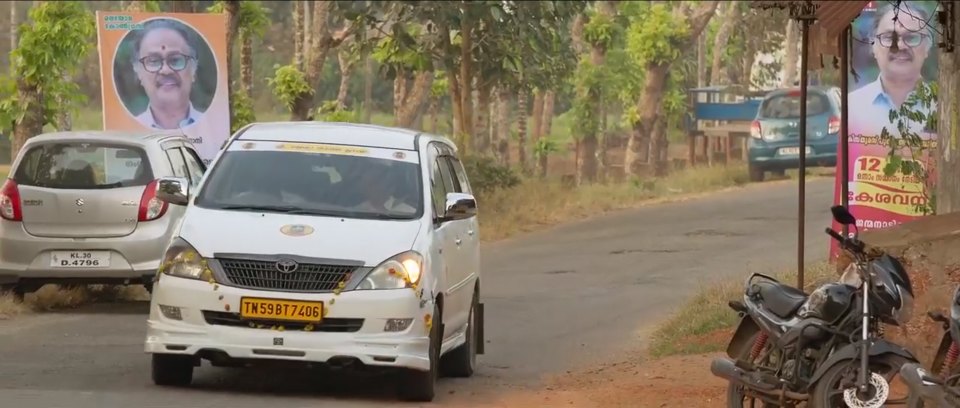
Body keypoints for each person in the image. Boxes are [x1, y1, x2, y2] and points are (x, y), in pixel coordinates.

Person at [848, 1, 936, 140]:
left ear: (927, 48)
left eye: (911, 37)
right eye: (889, 37)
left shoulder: (946, 105)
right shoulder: (852, 106)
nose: (900, 46)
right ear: (873, 47)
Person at [129, 19, 204, 129]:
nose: (165, 70)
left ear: (193, 68)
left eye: (175, 60)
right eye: (154, 61)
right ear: (138, 71)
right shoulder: (127, 130)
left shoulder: (213, 126)